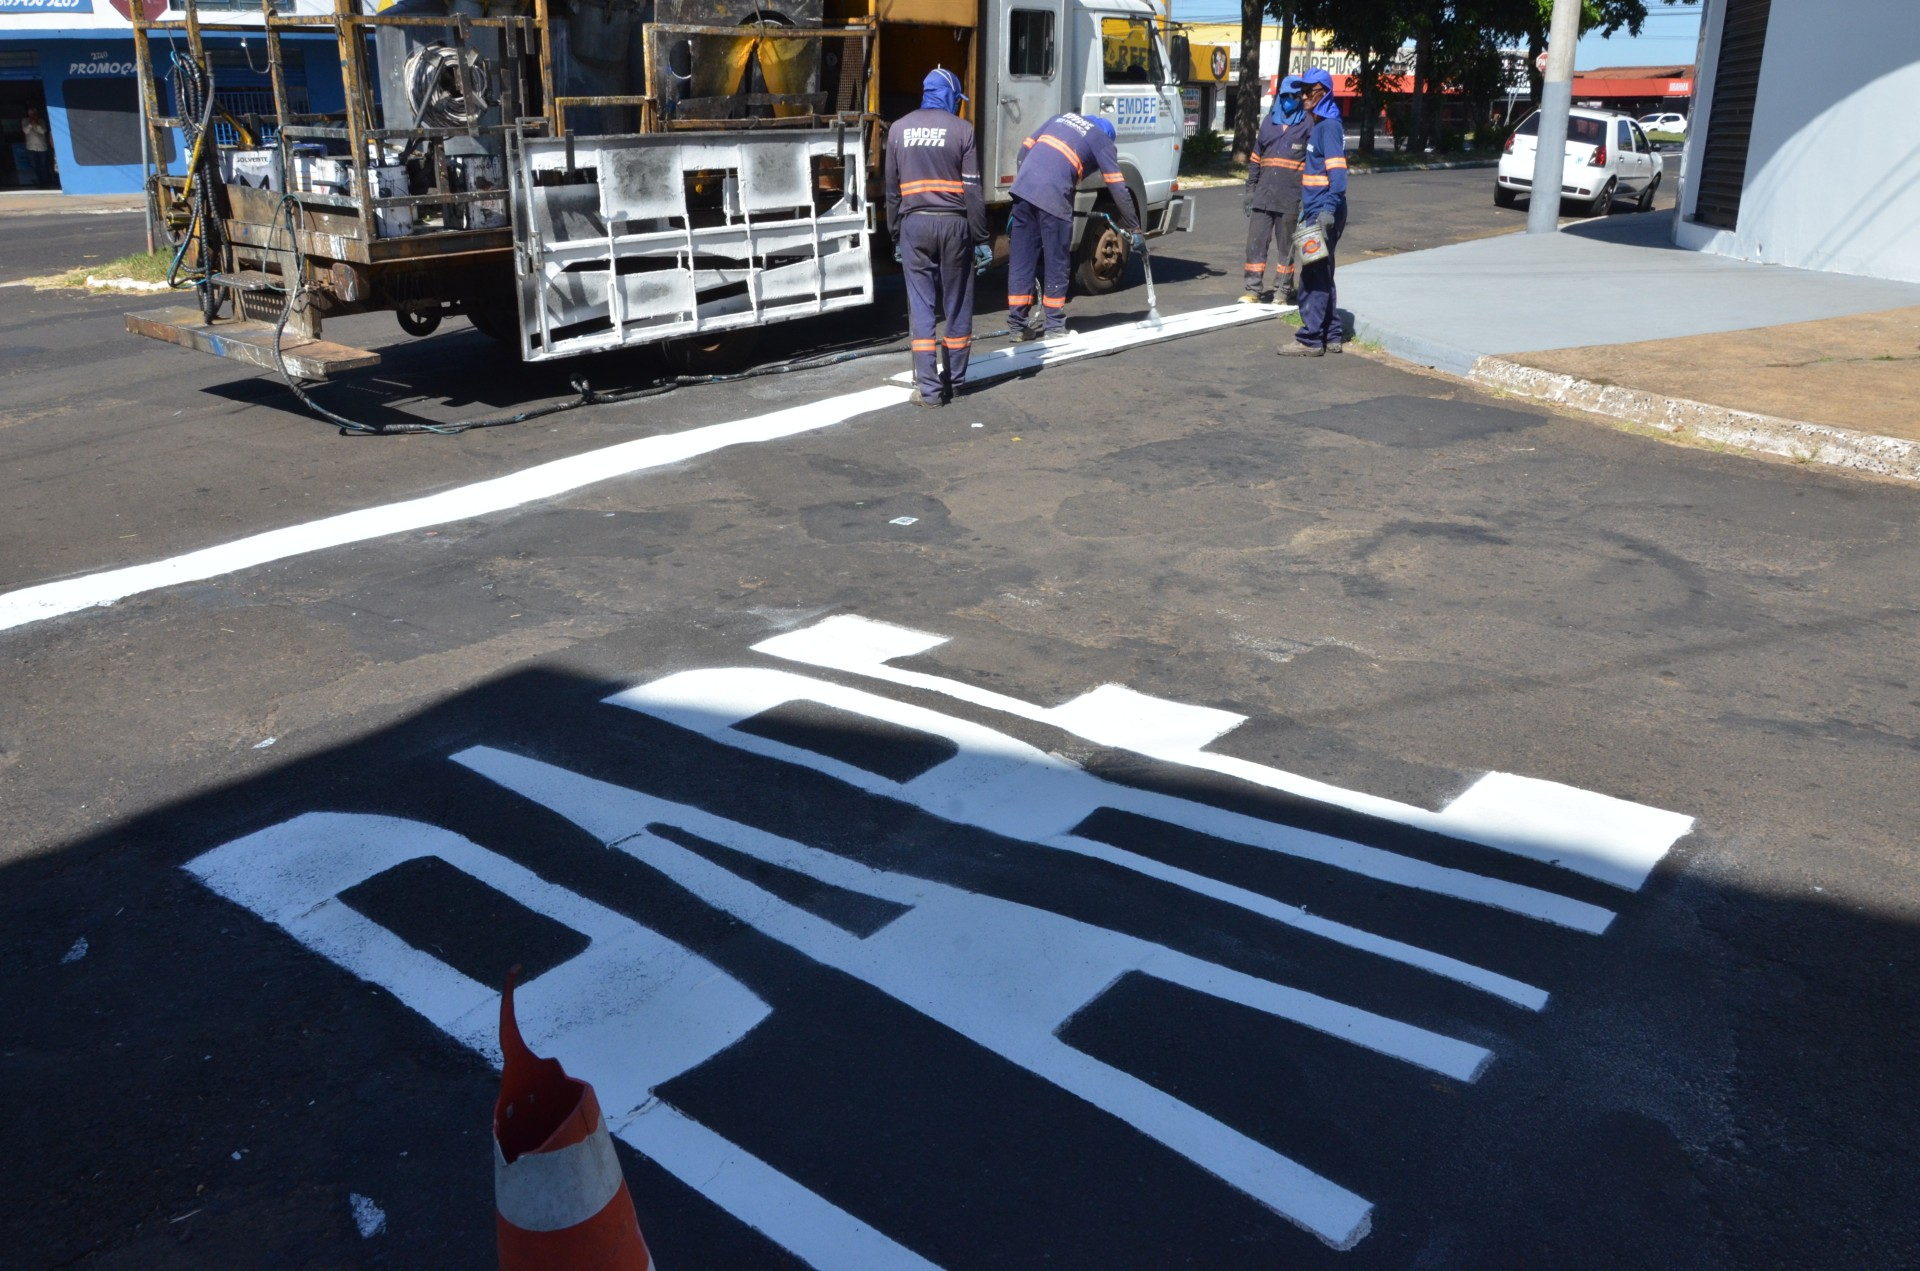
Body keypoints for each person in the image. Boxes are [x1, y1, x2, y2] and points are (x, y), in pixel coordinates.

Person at [885, 68, 991, 409]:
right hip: (955, 226)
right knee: (957, 303)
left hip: (914, 226)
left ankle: (929, 392)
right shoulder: (962, 130)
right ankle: (956, 381)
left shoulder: (899, 129)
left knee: (922, 307)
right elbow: (973, 190)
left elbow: (891, 192)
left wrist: (895, 233)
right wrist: (981, 237)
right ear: (950, 98)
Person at [1006, 112, 1139, 341]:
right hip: (1053, 196)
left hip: (1022, 191)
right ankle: (1054, 326)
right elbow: (1117, 187)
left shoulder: (1059, 118)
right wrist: (1135, 228)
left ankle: (1017, 326)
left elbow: (1024, 150)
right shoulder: (1101, 139)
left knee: (1021, 259)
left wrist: (1029, 186)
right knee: (1057, 261)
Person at [1278, 67, 1348, 357]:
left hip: (1323, 213)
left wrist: (1327, 209)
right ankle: (1331, 335)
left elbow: (1338, 175)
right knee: (1324, 272)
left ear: (1324, 92)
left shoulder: (1328, 127)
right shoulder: (1319, 125)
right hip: (1319, 210)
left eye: (1309, 90)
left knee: (1312, 277)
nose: (1303, 95)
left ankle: (1309, 339)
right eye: (1301, 90)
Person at [1240, 74, 1311, 305]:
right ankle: (1252, 289)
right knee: (1256, 244)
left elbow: (1312, 165)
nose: (1291, 100)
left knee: (1286, 248)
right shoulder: (1268, 123)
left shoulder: (1307, 124)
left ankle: (1282, 290)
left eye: (1295, 96)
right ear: (1280, 96)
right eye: (1287, 96)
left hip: (1291, 198)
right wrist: (1250, 190)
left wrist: (1306, 200)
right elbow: (1255, 159)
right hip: (1263, 195)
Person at [22, 108, 54, 190]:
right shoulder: (25, 120)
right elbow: (25, 131)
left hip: (42, 147)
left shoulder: (41, 121)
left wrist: (37, 123)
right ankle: (40, 181)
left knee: (44, 165)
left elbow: (43, 131)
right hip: (31, 147)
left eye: (34, 114)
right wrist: (30, 123)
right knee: (35, 165)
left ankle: (45, 182)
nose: (33, 116)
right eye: (31, 114)